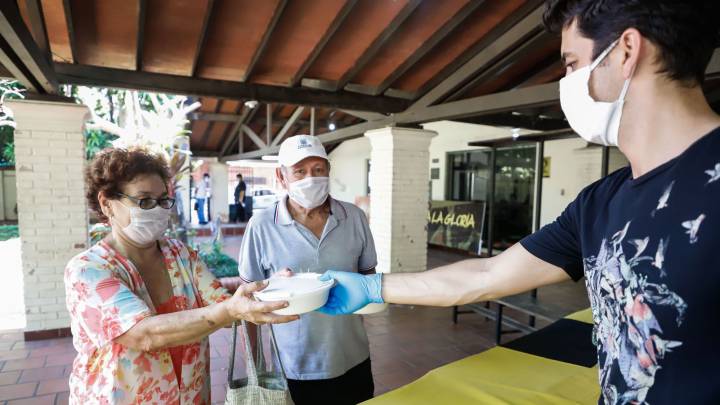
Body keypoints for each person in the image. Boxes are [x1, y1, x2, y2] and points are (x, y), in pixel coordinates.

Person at [318, 1, 720, 404]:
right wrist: (374, 287)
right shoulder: (599, 202)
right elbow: (487, 275)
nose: (566, 82)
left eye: (571, 63)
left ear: (626, 52)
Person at [65, 148, 297, 404]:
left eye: (163, 200)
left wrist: (267, 290)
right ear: (107, 204)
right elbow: (145, 335)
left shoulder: (180, 255)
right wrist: (231, 310)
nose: (157, 210)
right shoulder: (88, 270)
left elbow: (225, 304)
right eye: (144, 201)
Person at [238, 135, 378, 405]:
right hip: (293, 365)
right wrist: (254, 363)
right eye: (299, 171)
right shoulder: (261, 225)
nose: (310, 178)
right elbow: (246, 300)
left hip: (352, 356)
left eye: (318, 170)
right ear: (282, 177)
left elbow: (369, 279)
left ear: (328, 171)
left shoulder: (354, 217)